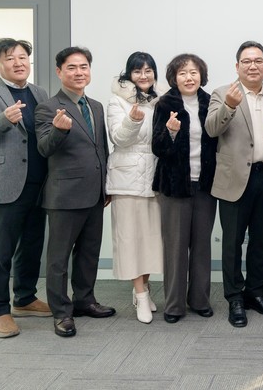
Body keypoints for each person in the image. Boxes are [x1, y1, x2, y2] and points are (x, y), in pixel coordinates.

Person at [0, 38, 51, 338]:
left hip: (39, 183)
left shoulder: (39, 92)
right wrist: (3, 119)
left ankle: (25, 298)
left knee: (32, 246)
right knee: (1, 252)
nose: (19, 62)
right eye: (10, 58)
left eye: (23, 57)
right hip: (5, 184)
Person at [36, 47, 115, 338]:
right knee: (59, 259)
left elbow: (101, 149)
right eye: (72, 67)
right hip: (65, 195)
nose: (79, 72)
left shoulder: (96, 106)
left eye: (84, 67)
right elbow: (44, 148)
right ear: (59, 72)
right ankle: (61, 312)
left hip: (95, 192)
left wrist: (106, 185)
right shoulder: (48, 108)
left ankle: (85, 300)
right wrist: (58, 130)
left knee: (89, 252)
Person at [205, 41, 263, 328]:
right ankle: (235, 297)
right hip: (234, 179)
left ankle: (255, 293)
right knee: (232, 242)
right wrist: (229, 105)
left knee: (261, 241)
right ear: (237, 66)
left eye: (258, 61)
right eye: (246, 61)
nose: (253, 66)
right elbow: (212, 129)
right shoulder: (222, 93)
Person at [152, 53, 217, 324]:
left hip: (206, 185)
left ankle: (200, 300)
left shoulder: (211, 102)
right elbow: (158, 148)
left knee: (202, 246)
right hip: (174, 186)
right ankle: (174, 305)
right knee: (176, 248)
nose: (189, 78)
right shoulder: (165, 103)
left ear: (201, 75)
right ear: (174, 77)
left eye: (193, 72)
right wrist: (171, 132)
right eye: (182, 73)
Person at [106, 52, 164, 324]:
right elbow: (118, 138)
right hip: (126, 179)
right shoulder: (117, 100)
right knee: (130, 239)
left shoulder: (159, 100)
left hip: (154, 177)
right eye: (138, 71)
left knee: (151, 240)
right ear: (129, 74)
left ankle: (144, 287)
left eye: (148, 70)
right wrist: (133, 120)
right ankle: (140, 295)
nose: (144, 75)